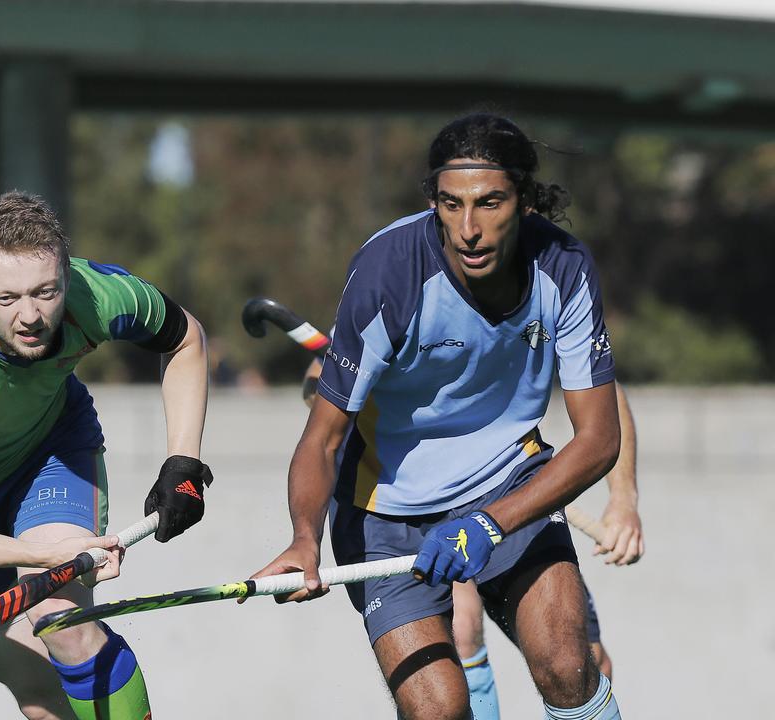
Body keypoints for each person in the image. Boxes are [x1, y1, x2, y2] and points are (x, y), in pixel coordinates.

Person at [252, 112, 624, 720]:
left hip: (509, 482)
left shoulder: (564, 268)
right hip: (382, 510)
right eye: (451, 205)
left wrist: (490, 523)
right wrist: (302, 539)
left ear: (525, 202)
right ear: (433, 203)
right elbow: (323, 438)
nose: (469, 229)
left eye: (489, 203)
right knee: (438, 710)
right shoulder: (388, 274)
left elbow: (600, 439)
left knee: (568, 663)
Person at [0, 191, 211, 720]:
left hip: (50, 451)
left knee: (61, 619)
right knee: (42, 697)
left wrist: (184, 464)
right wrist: (39, 559)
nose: (32, 316)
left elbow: (186, 339)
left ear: (65, 273)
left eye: (46, 291)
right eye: (7, 298)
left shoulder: (98, 294)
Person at [300, 361, 644, 717]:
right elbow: (318, 388)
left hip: (501, 482)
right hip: (401, 504)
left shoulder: (531, 307)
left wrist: (622, 500)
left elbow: (598, 384)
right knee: (455, 648)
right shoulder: (387, 312)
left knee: (579, 665)